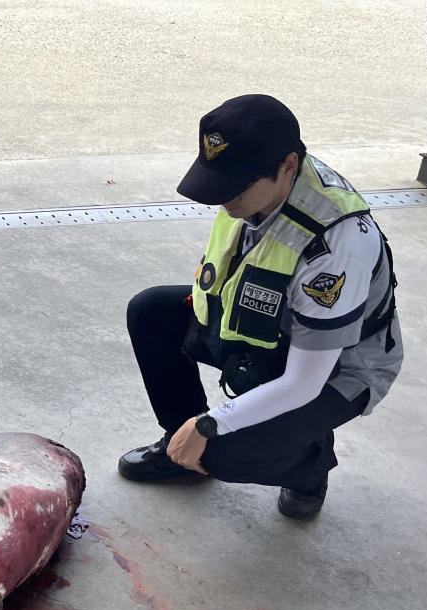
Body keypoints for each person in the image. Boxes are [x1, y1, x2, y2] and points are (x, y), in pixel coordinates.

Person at [119, 95, 401, 519]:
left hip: (336, 367)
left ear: (288, 165)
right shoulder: (259, 178)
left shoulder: (335, 247)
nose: (222, 198)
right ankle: (180, 446)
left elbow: (303, 383)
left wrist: (210, 424)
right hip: (272, 327)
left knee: (227, 454)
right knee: (150, 312)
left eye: (234, 186)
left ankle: (308, 466)